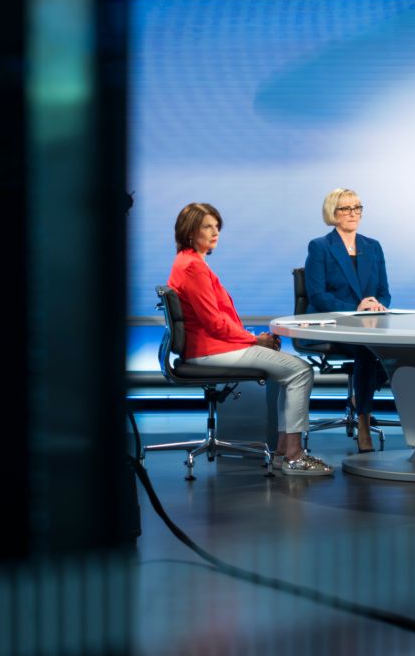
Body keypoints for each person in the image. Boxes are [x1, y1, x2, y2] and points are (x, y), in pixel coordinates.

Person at [168, 202, 330, 477]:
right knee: (300, 371)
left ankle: (283, 453)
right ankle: (293, 455)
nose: (215, 232)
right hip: (209, 350)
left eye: (217, 226)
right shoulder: (193, 267)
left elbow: (218, 322)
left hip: (209, 346)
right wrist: (254, 341)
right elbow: (214, 323)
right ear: (190, 232)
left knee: (288, 371)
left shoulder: (188, 262)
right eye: (207, 226)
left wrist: (253, 340)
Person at [303, 188, 391, 451]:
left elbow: (384, 291)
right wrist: (356, 307)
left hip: (367, 324)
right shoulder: (320, 247)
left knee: (397, 348)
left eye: (357, 208)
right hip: (331, 323)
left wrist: (377, 306)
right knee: (366, 349)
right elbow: (317, 295)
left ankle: (358, 399)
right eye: (345, 208)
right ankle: (364, 424)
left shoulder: (372, 247)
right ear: (333, 213)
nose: (353, 213)